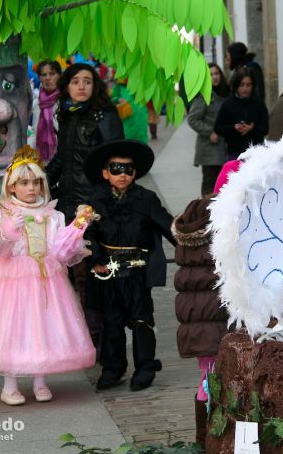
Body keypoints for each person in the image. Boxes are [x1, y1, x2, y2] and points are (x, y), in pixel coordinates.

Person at [0, 146, 96, 406]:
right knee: (13, 328)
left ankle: (39, 380)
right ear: (12, 186)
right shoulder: (2, 214)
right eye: (24, 183)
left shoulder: (52, 215)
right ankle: (10, 385)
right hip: (13, 280)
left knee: (43, 326)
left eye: (36, 182)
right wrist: (9, 231)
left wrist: (76, 229)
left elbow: (60, 252)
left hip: (47, 278)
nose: (31, 188)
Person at [83, 139, 176, 392]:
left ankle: (145, 368)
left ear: (135, 173)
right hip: (107, 274)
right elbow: (86, 233)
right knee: (111, 323)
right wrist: (97, 258)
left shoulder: (146, 199)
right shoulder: (95, 201)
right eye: (115, 169)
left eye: (127, 169)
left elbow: (170, 227)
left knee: (142, 322)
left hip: (137, 272)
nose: (122, 174)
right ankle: (113, 369)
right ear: (105, 173)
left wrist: (191, 244)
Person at [45, 63, 124, 311]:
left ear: (95, 85)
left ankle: (93, 331)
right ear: (67, 86)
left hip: (93, 204)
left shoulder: (105, 115)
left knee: (89, 270)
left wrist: (105, 199)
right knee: (66, 266)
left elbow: (116, 159)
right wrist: (41, 182)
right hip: (67, 201)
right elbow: (61, 157)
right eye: (76, 81)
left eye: (87, 81)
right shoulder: (69, 113)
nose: (81, 86)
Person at [172, 162, 237, 446]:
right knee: (213, 380)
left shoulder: (197, 220)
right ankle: (208, 440)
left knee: (211, 378)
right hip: (213, 317)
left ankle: (210, 440)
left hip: (204, 318)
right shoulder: (221, 225)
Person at [188, 63, 230, 195]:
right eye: (211, 75)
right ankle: (205, 213)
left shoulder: (226, 93)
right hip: (209, 147)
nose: (215, 77)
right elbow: (193, 119)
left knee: (223, 184)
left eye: (217, 74)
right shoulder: (204, 96)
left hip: (223, 146)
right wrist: (209, 132)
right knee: (210, 183)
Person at [214, 67, 269, 160]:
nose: (245, 88)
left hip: (256, 154)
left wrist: (252, 128)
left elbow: (265, 129)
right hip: (234, 154)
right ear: (236, 86)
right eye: (242, 85)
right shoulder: (228, 104)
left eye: (248, 85)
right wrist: (234, 128)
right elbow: (218, 128)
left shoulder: (259, 104)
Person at [31, 59, 62, 162]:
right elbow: (35, 133)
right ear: (39, 78)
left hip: (61, 160)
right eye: (44, 75)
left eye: (52, 74)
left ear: (59, 75)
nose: (48, 78)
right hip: (40, 161)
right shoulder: (36, 104)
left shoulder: (66, 101)